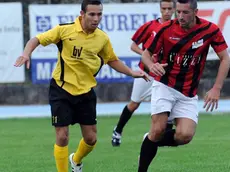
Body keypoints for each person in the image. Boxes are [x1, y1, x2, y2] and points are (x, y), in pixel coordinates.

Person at [14, 0, 149, 172]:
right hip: (61, 89)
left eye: (99, 14)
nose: (96, 18)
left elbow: (111, 60)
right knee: (62, 137)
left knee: (91, 139)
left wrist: (131, 72)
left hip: (85, 92)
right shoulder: (64, 30)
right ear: (82, 14)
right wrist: (26, 54)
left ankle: (76, 160)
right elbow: (36, 39)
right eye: (92, 14)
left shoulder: (102, 38)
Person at [138, 0, 230, 171]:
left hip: (188, 92)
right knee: (158, 129)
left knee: (185, 136)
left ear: (196, 12)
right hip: (164, 84)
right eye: (178, 12)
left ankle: (149, 140)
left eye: (185, 12)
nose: (180, 16)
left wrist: (217, 88)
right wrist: (152, 66)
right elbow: (146, 54)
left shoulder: (210, 30)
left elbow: (225, 58)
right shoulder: (165, 29)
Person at [111, 0, 176, 147]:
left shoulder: (177, 27)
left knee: (169, 106)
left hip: (165, 75)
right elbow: (133, 45)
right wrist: (146, 55)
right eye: (164, 8)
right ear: (160, 9)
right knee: (134, 104)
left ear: (174, 10)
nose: (166, 12)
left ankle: (162, 139)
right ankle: (118, 130)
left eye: (169, 9)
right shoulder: (150, 26)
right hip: (146, 73)